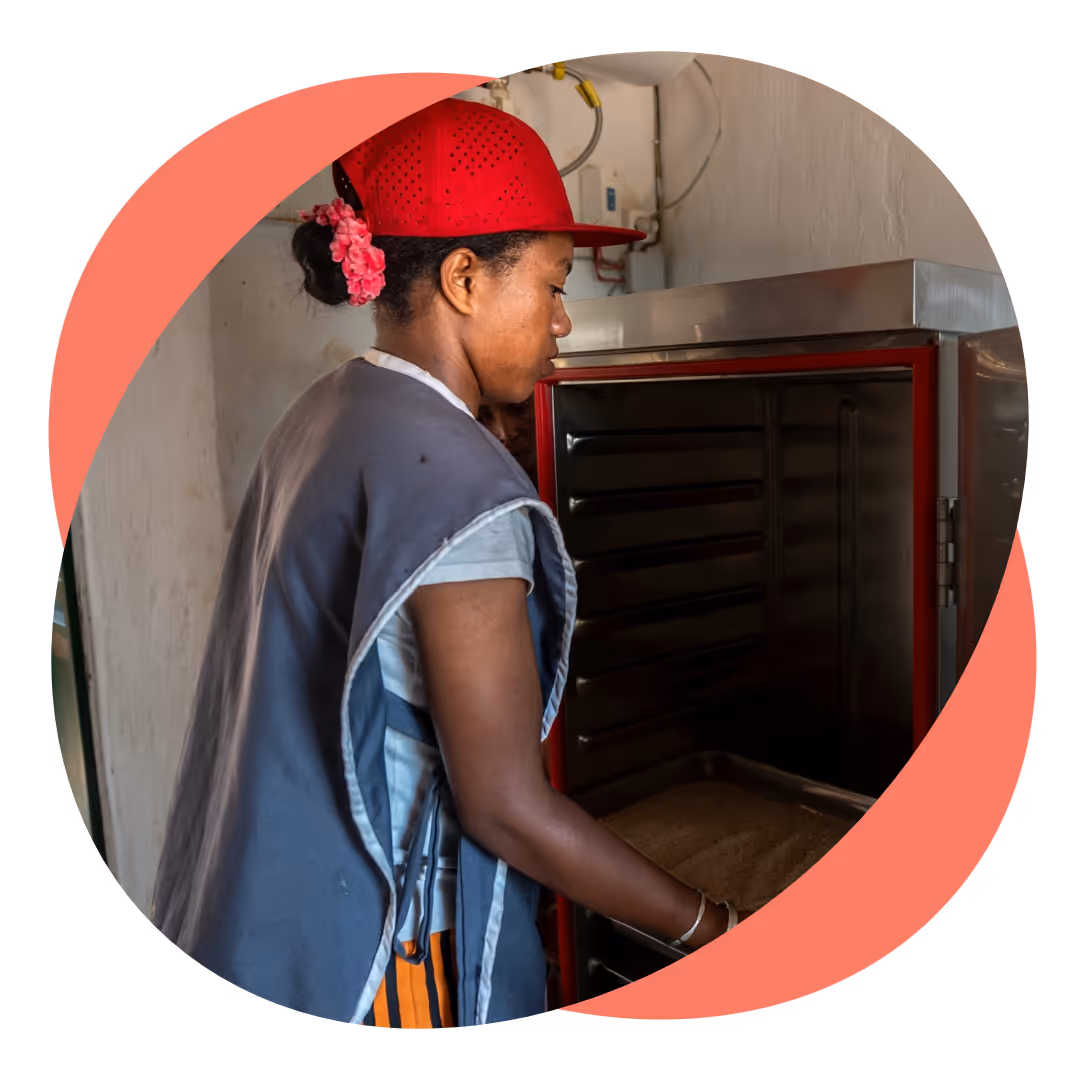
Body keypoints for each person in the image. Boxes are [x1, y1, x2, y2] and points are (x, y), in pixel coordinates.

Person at [151, 97, 749, 1029]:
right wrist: (714, 928)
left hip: (260, 919)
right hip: (384, 961)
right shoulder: (462, 489)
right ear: (466, 278)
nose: (561, 319)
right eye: (552, 284)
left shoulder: (326, 414)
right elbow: (506, 806)